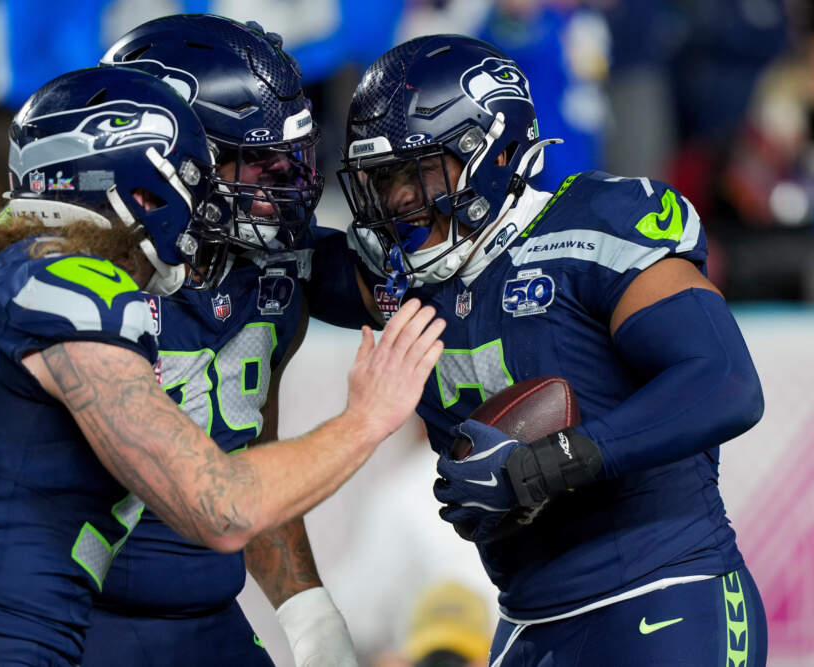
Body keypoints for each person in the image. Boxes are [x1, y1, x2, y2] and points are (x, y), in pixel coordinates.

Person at [0, 65, 446, 666]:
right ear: (133, 190)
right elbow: (221, 507)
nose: (195, 216)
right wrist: (365, 418)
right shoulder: (68, 285)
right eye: (179, 186)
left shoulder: (14, 277)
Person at [314, 34, 767, 665]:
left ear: (493, 153)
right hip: (527, 620)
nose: (400, 200)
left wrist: (554, 461)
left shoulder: (594, 225)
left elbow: (725, 383)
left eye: (418, 170)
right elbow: (269, 266)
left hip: (666, 590)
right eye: (384, 179)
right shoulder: (399, 277)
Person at [84, 15, 352, 666]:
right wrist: (366, 420)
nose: (277, 183)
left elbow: (243, 453)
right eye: (255, 159)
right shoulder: (71, 278)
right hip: (75, 620)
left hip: (205, 619)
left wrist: (308, 614)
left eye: (284, 156)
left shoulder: (273, 267)